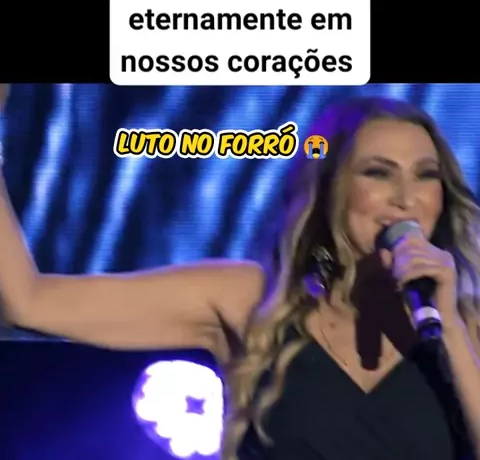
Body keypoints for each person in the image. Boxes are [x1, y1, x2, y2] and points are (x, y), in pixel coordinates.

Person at [0, 85, 480, 460]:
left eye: (426, 175)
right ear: (331, 188)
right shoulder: (257, 300)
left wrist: (452, 328)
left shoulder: (467, 329)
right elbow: (30, 302)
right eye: (378, 172)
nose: (406, 198)